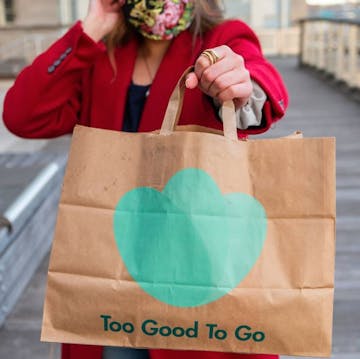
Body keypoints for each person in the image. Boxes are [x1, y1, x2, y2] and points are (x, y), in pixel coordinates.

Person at [3, 1, 288, 358]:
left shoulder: (219, 37)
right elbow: (22, 115)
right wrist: (91, 27)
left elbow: (256, 80)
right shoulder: (101, 50)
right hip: (110, 271)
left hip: (195, 267)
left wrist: (240, 86)